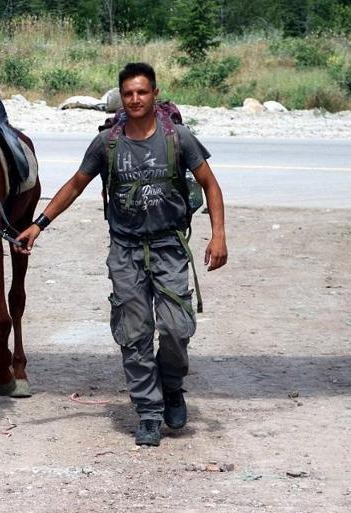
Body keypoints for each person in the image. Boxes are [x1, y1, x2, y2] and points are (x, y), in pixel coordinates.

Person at [15, 62, 227, 446]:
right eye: (128, 93)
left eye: (142, 92)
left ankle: (173, 386)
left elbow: (210, 185)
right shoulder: (107, 143)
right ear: (120, 97)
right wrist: (39, 224)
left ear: (154, 94)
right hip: (126, 250)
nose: (135, 99)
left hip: (168, 247)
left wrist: (219, 235)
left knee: (178, 329)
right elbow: (76, 184)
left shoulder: (178, 137)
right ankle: (147, 410)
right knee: (134, 334)